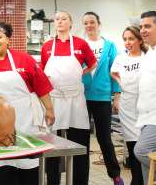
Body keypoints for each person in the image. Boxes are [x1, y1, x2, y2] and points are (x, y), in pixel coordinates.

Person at [0, 21, 55, 185]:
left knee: (28, 167)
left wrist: (49, 109)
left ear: (8, 39)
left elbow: (41, 86)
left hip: (25, 121)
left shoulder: (24, 59)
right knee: (4, 169)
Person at [41, 10, 98, 185]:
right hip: (54, 98)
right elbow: (43, 71)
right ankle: (52, 180)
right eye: (57, 19)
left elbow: (93, 63)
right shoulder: (47, 46)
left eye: (64, 19)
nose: (59, 22)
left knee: (79, 142)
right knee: (51, 144)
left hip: (75, 98)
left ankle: (80, 181)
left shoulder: (81, 44)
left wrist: (80, 73)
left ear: (71, 22)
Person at [82, 11, 124, 185]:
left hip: (102, 97)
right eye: (85, 23)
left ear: (99, 24)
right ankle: (81, 177)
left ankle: (115, 175)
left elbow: (115, 73)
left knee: (104, 138)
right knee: (82, 139)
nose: (89, 26)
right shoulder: (79, 44)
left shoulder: (110, 45)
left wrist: (116, 97)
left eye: (92, 22)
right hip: (81, 97)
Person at [110, 26, 147, 185]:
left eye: (131, 39)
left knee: (144, 146)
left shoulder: (147, 57)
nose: (127, 42)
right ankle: (136, 180)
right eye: (125, 39)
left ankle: (145, 179)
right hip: (127, 105)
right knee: (133, 145)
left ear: (140, 40)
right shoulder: (120, 59)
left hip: (145, 105)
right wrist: (121, 85)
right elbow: (113, 72)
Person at [134, 11, 156, 184]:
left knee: (142, 151)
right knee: (147, 167)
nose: (143, 30)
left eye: (148, 26)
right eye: (141, 27)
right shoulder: (149, 53)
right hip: (147, 115)